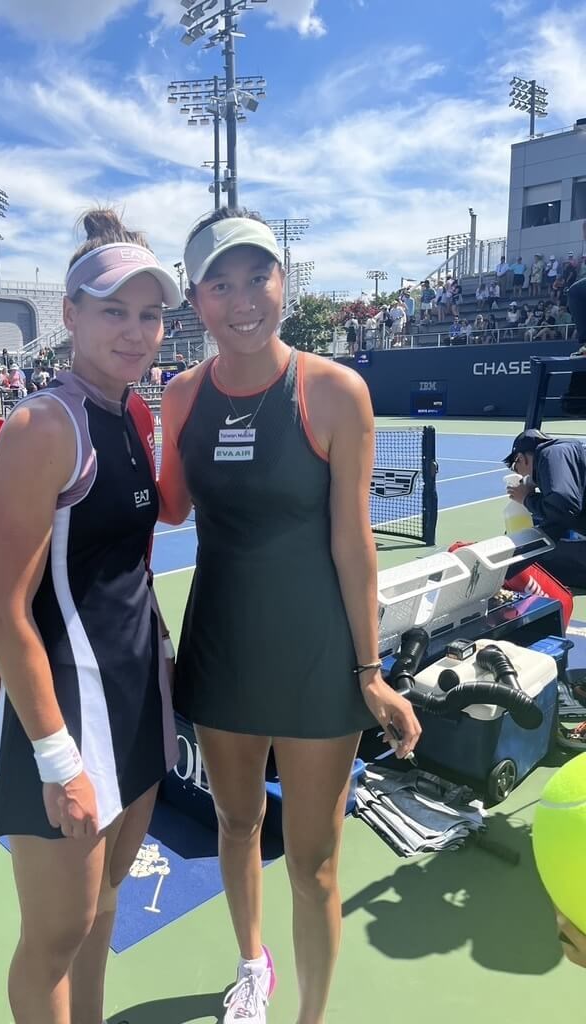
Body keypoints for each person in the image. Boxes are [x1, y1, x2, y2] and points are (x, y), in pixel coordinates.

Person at [159, 209, 421, 1024]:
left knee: (313, 866)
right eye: (220, 284)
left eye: (256, 277)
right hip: (221, 649)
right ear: (197, 302)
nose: (242, 300)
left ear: (284, 283)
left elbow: (355, 545)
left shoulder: (335, 390)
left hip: (316, 658)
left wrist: (371, 673)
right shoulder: (178, 397)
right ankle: (252, 966)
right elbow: (163, 509)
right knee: (236, 823)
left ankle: (311, 1017)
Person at [0, 208, 181, 1024]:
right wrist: (60, 759)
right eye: (112, 312)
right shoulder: (43, 426)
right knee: (56, 938)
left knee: (105, 913)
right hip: (64, 722)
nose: (134, 333)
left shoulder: (131, 416)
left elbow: (142, 548)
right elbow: (5, 608)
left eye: (148, 315)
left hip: (135, 708)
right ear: (68, 314)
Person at [504, 429, 586, 588]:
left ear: (521, 459)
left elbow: (564, 507)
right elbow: (559, 522)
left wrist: (527, 499)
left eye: (515, 467)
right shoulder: (568, 451)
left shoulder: (550, 454)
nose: (520, 475)